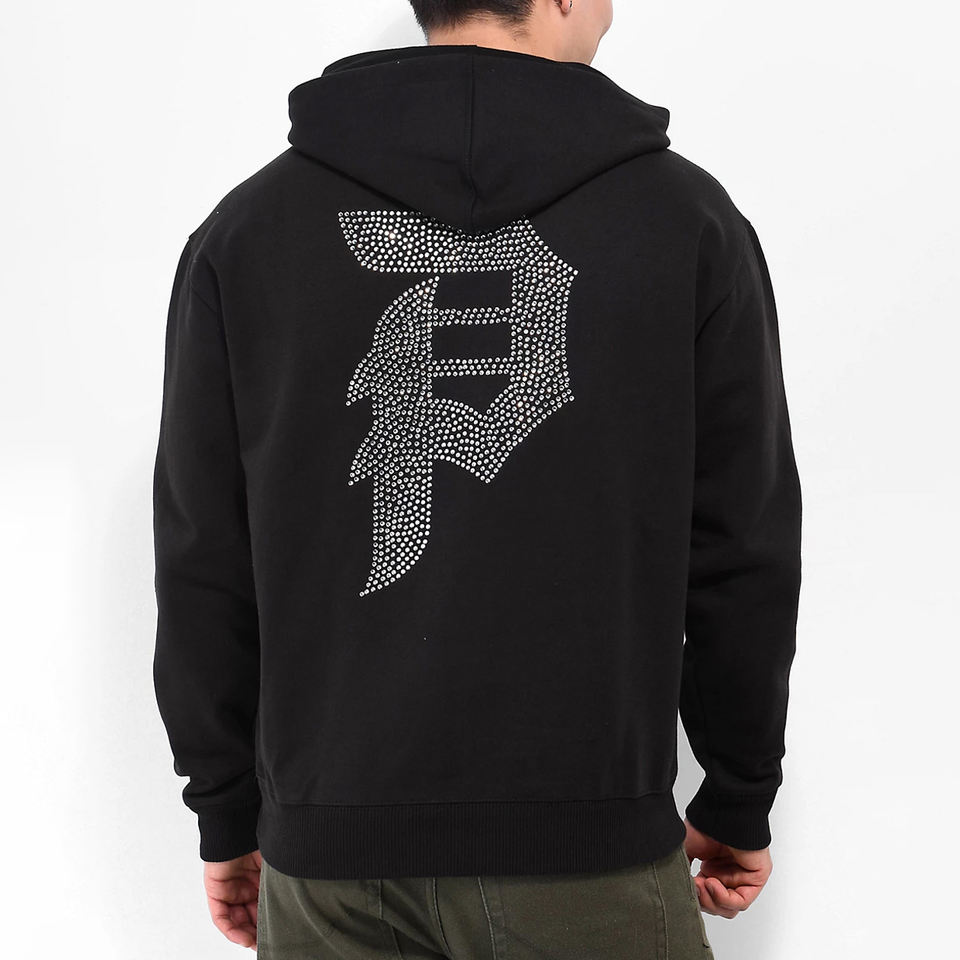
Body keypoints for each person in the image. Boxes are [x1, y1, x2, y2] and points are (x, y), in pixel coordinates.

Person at [151, 0, 802, 956]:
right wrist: (739, 790)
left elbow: (203, 552)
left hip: (333, 866)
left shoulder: (247, 232)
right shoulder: (687, 222)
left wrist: (225, 806)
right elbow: (742, 545)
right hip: (592, 854)